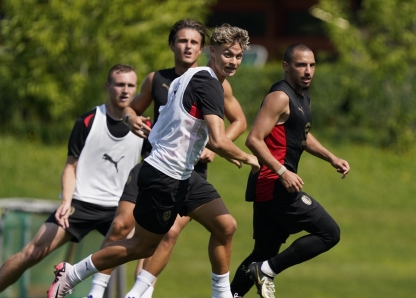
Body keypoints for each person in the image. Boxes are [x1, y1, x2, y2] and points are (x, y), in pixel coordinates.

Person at [47, 23, 259, 298]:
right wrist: (249, 158)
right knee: (141, 246)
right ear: (213, 51)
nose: (233, 61)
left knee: (225, 226)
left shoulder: (192, 75)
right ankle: (72, 274)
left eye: (238, 56)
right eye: (228, 54)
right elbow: (218, 141)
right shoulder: (208, 84)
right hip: (164, 176)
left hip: (184, 174)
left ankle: (221, 295)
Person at [0, 64, 144, 298]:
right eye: (119, 84)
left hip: (118, 210)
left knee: (148, 246)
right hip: (81, 203)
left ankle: (136, 294)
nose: (125, 90)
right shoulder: (88, 121)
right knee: (32, 253)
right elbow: (70, 166)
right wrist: (66, 200)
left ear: (137, 88)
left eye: (130, 85)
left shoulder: (143, 127)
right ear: (108, 86)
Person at [229, 44, 351, 298]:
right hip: (273, 184)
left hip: (272, 185)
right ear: (286, 66)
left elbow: (302, 135)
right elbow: (253, 139)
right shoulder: (280, 97)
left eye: (312, 65)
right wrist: (283, 171)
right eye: (300, 65)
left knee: (262, 252)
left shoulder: (302, 98)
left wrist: (331, 157)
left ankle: (231, 295)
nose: (308, 71)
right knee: (329, 233)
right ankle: (266, 271)